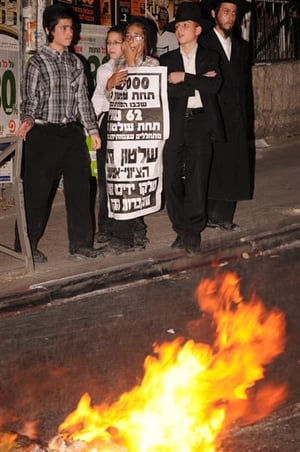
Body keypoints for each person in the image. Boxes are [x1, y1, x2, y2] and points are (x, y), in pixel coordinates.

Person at [15, 4, 103, 263]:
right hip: (43, 135)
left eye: (71, 28)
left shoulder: (76, 63)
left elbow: (83, 101)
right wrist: (28, 120)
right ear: (48, 30)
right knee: (37, 194)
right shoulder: (37, 63)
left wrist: (92, 129)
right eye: (64, 28)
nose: (69, 32)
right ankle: (26, 246)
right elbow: (29, 99)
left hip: (71, 135)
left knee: (80, 189)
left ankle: (81, 244)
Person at [160, 2, 224, 255]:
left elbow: (214, 86)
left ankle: (193, 232)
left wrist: (184, 78)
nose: (180, 30)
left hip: (200, 122)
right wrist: (196, 82)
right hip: (175, 122)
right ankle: (180, 228)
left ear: (198, 29)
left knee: (198, 179)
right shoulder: (167, 59)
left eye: (185, 25)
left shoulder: (210, 56)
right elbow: (166, 90)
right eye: (177, 26)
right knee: (171, 178)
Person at [105, 18, 160, 254]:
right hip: (121, 134)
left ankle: (129, 235)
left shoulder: (152, 64)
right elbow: (113, 100)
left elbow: (144, 93)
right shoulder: (118, 66)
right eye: (128, 36)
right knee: (121, 183)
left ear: (146, 41)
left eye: (136, 37)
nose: (130, 41)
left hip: (142, 136)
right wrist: (109, 85)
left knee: (136, 184)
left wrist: (128, 64)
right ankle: (130, 233)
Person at [200, 0, 254, 231]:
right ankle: (207, 214)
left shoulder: (242, 47)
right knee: (212, 164)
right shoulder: (203, 42)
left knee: (233, 162)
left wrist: (247, 115)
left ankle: (224, 216)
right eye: (226, 11)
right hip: (211, 113)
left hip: (235, 115)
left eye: (234, 12)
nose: (231, 16)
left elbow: (245, 85)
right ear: (214, 13)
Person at [91, 25, 127, 244]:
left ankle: (131, 224)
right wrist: (108, 86)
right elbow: (99, 101)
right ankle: (104, 225)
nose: (111, 47)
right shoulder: (104, 70)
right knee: (106, 179)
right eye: (109, 42)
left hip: (130, 124)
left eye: (116, 42)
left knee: (128, 176)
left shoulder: (138, 66)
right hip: (109, 122)